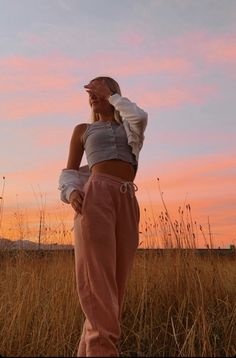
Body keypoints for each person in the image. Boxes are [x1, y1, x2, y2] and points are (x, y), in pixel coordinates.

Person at [58, 76, 148, 357]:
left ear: (111, 92)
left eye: (98, 88)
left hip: (127, 200)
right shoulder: (83, 130)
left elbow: (140, 115)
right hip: (96, 198)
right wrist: (72, 192)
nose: (92, 93)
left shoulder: (130, 126)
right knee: (98, 292)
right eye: (90, 90)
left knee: (114, 296)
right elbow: (69, 171)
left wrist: (111, 97)